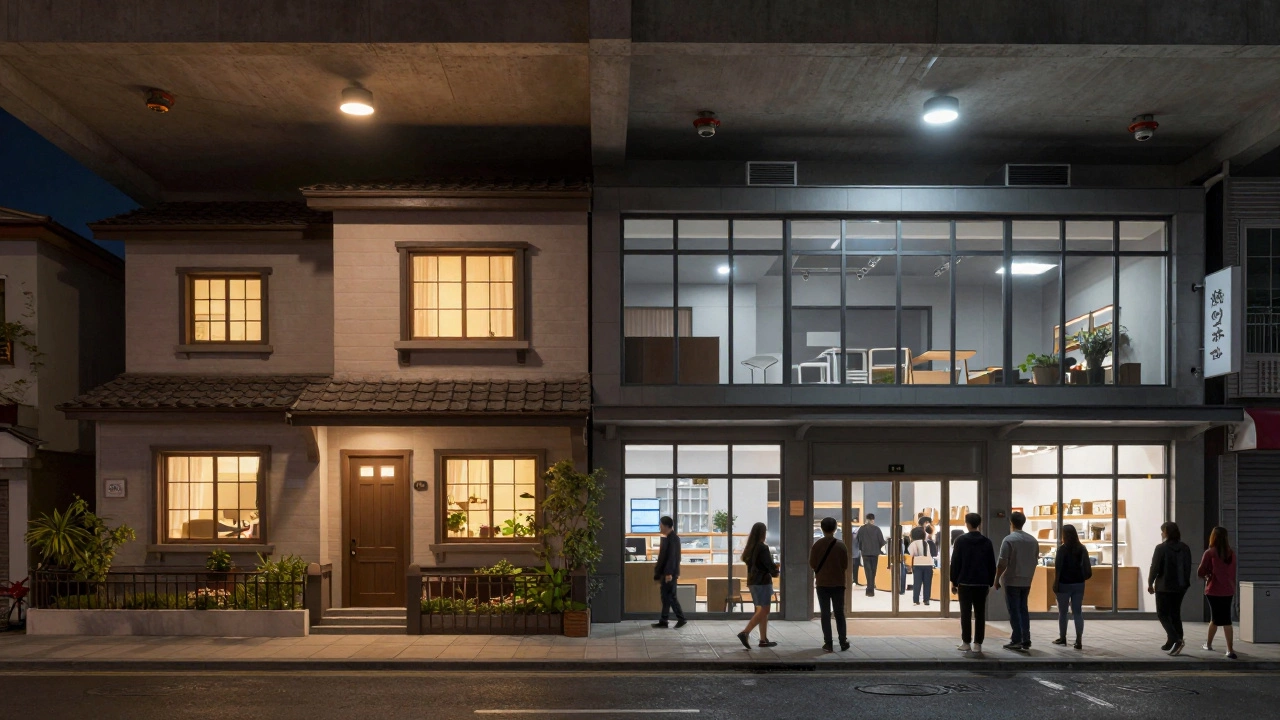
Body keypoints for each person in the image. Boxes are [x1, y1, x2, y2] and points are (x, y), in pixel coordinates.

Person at [950, 512, 996, 656]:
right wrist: (989, 581)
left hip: (965, 582)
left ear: (967, 523)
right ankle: (978, 644)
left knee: (965, 613)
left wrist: (954, 581)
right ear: (979, 524)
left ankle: (965, 642)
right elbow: (991, 564)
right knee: (980, 613)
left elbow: (955, 562)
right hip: (982, 583)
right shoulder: (987, 542)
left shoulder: (960, 541)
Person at [994, 511, 1039, 652]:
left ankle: (1017, 639)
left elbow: (1002, 562)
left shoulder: (1009, 540)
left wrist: (997, 579)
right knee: (1023, 609)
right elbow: (1036, 559)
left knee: (1014, 610)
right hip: (1027, 579)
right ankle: (1026, 638)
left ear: (1011, 522)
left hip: (1012, 579)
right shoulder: (1033, 540)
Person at [1149, 520, 1193, 656]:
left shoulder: (1161, 548)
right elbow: (1188, 566)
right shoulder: (1185, 548)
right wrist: (1185, 583)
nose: (1161, 533)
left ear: (1166, 532)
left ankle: (1175, 638)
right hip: (1180, 586)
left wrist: (1150, 583)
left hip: (1164, 586)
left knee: (1162, 614)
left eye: (1162, 531)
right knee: (1175, 613)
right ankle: (1172, 641)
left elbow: (1155, 567)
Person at [737, 522, 780, 649]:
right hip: (762, 582)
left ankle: (763, 639)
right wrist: (775, 570)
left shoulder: (750, 547)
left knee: (761, 611)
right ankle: (745, 632)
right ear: (763, 533)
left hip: (753, 582)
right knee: (765, 610)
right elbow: (768, 565)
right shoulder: (762, 547)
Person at [810, 516, 850, 652]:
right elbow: (845, 564)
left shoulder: (817, 545)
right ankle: (843, 641)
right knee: (839, 613)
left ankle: (828, 643)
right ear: (835, 528)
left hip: (822, 583)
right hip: (838, 583)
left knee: (825, 614)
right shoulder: (841, 545)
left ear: (821, 529)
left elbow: (812, 564)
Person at [1198, 526, 1237, 659]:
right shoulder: (1231, 553)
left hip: (1213, 590)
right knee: (1225, 618)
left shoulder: (1210, 553)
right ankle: (1228, 649)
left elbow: (1200, 571)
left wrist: (1208, 575)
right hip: (1228, 590)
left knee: (1216, 618)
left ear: (1213, 537)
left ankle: (1211, 645)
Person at [1052, 524, 1090, 649]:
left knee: (1063, 613)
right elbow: (1087, 569)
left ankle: (1063, 638)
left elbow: (1058, 569)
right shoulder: (1082, 548)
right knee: (1077, 612)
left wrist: (1055, 583)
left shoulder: (1062, 550)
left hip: (1064, 583)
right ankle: (1079, 640)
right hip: (1079, 583)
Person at [651, 515, 686, 629]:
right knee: (665, 597)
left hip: (669, 574)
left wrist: (668, 573)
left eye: (661, 525)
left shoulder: (673, 539)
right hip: (666, 573)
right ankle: (664, 620)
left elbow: (672, 557)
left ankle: (681, 618)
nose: (660, 528)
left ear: (666, 526)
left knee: (670, 596)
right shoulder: (669, 538)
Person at [854, 514, 886, 597]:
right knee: (873, 571)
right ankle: (871, 588)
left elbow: (857, 540)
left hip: (865, 553)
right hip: (875, 553)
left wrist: (862, 548)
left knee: (868, 571)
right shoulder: (877, 529)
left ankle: (869, 589)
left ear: (866, 519)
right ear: (873, 520)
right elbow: (882, 542)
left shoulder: (861, 529)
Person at [908, 528, 932, 606]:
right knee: (927, 583)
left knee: (917, 583)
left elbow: (911, 554)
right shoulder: (926, 543)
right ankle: (926, 600)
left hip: (917, 564)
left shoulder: (913, 543)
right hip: (928, 564)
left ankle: (916, 600)